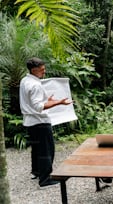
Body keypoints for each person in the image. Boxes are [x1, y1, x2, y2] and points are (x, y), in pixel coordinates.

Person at [19, 57, 72, 187]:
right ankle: (45, 179)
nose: (44, 71)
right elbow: (39, 107)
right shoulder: (35, 84)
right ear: (34, 70)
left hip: (30, 122)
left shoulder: (25, 80)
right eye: (42, 70)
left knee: (36, 149)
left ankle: (36, 172)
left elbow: (32, 101)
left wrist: (47, 99)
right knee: (46, 150)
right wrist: (59, 102)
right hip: (40, 122)